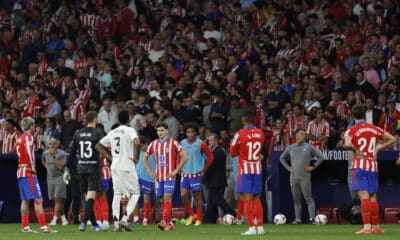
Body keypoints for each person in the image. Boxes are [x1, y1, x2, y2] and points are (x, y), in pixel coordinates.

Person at [344, 104, 396, 234]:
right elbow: (393, 139)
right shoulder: (374, 128)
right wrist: (378, 148)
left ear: (352, 115)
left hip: (359, 166)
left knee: (364, 198)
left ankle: (367, 228)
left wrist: (356, 150)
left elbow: (347, 144)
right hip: (372, 166)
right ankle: (376, 227)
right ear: (365, 114)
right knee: (373, 198)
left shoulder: (352, 129)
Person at [96, 110, 141, 232]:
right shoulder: (130, 130)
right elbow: (137, 142)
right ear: (128, 119)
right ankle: (125, 219)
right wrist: (136, 156)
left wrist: (111, 158)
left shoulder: (113, 132)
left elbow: (98, 146)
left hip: (115, 167)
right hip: (127, 166)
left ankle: (116, 224)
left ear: (118, 119)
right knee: (136, 193)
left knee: (117, 194)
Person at [63, 111, 106, 232]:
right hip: (93, 168)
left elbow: (72, 153)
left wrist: (67, 168)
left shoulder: (78, 133)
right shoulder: (98, 133)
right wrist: (111, 160)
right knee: (91, 197)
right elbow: (102, 149)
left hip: (80, 168)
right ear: (95, 119)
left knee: (87, 198)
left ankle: (95, 225)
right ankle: (83, 223)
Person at [142, 123, 188, 231]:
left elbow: (184, 157)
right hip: (159, 177)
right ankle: (170, 223)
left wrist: (176, 170)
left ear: (167, 131)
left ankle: (163, 221)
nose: (159, 133)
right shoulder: (154, 144)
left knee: (168, 197)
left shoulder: (173, 143)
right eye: (158, 131)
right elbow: (145, 158)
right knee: (163, 200)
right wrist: (150, 171)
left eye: (162, 130)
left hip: (169, 176)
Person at [16, 117, 57, 233]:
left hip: (20, 171)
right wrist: (33, 168)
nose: (35, 127)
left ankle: (25, 227)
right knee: (38, 199)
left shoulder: (20, 138)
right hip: (28, 172)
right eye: (34, 125)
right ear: (31, 126)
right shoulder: (28, 137)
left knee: (25, 201)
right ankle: (44, 227)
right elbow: (29, 153)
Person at [230, 112, 265, 235]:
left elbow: (232, 152)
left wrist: (241, 152)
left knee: (247, 199)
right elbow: (259, 149)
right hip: (257, 168)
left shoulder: (239, 134)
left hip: (245, 168)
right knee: (257, 198)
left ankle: (251, 228)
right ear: (253, 121)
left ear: (243, 121)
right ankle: (260, 227)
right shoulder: (260, 133)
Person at [279, 128, 324, 224]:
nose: (304, 136)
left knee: (308, 198)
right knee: (296, 199)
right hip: (293, 177)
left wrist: (313, 166)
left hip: (305, 177)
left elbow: (321, 157)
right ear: (296, 136)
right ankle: (297, 219)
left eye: (305, 134)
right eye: (302, 134)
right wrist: (288, 168)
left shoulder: (309, 147)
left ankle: (312, 219)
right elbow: (282, 158)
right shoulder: (291, 147)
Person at [180, 122, 214, 226]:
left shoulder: (201, 143)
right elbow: (179, 156)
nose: (190, 134)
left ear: (196, 133)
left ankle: (199, 218)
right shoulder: (182, 143)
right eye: (188, 132)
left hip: (195, 174)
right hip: (184, 174)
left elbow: (210, 156)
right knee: (183, 195)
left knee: (197, 197)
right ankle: (191, 214)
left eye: (192, 132)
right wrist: (178, 168)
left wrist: (203, 169)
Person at [203, 133, 236, 223]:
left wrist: (204, 178)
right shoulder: (216, 151)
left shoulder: (217, 152)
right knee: (212, 200)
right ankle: (209, 218)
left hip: (216, 180)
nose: (209, 142)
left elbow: (211, 167)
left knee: (218, 200)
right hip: (216, 180)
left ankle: (233, 214)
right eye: (208, 140)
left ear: (216, 141)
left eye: (211, 140)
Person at [41, 137, 69, 226]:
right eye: (50, 144)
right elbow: (43, 161)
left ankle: (54, 219)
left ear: (57, 144)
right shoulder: (45, 153)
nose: (52, 146)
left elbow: (61, 167)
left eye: (54, 144)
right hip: (50, 179)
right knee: (57, 200)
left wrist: (54, 157)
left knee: (57, 199)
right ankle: (64, 219)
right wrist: (48, 167)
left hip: (60, 178)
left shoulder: (62, 154)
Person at [135, 135, 156, 226]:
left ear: (147, 143)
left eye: (142, 146)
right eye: (140, 146)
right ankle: (136, 219)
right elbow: (137, 161)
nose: (141, 148)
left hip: (148, 178)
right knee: (134, 197)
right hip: (137, 176)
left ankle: (145, 219)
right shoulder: (139, 150)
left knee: (146, 198)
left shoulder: (154, 151)